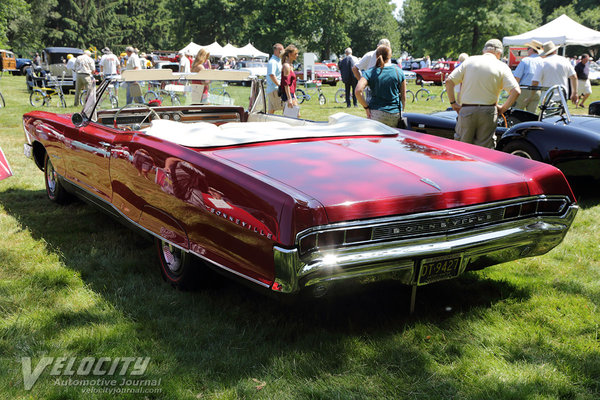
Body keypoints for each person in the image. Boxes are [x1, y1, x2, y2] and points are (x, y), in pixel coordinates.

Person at [445, 39, 520, 149]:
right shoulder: (502, 66)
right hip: (489, 112)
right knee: (484, 151)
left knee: (461, 149)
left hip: (467, 110)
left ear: (484, 50)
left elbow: (449, 81)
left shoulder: (469, 61)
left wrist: (453, 103)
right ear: (499, 53)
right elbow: (516, 91)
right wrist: (503, 109)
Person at [355, 45, 406, 128]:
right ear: (390, 56)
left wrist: (366, 107)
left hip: (376, 114)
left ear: (376, 56)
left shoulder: (371, 72)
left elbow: (358, 91)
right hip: (395, 114)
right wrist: (402, 110)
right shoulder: (398, 71)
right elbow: (403, 97)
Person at [512, 40, 544, 113]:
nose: (527, 51)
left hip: (524, 90)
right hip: (537, 90)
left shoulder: (525, 60)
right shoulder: (542, 61)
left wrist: (512, 91)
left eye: (528, 49)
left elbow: (517, 77)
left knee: (517, 113)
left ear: (532, 49)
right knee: (532, 114)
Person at [279, 45, 299, 115]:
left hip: (291, 93)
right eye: (295, 54)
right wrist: (289, 98)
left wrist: (294, 95)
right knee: (293, 115)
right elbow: (286, 84)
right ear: (290, 55)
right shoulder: (286, 66)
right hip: (287, 94)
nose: (297, 55)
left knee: (296, 114)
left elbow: (292, 83)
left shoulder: (291, 66)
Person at [266, 43, 284, 114]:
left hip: (273, 89)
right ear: (276, 51)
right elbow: (272, 75)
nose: (282, 52)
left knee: (271, 110)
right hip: (275, 89)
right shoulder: (273, 62)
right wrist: (279, 85)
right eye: (280, 51)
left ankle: (267, 123)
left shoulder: (278, 60)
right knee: (285, 107)